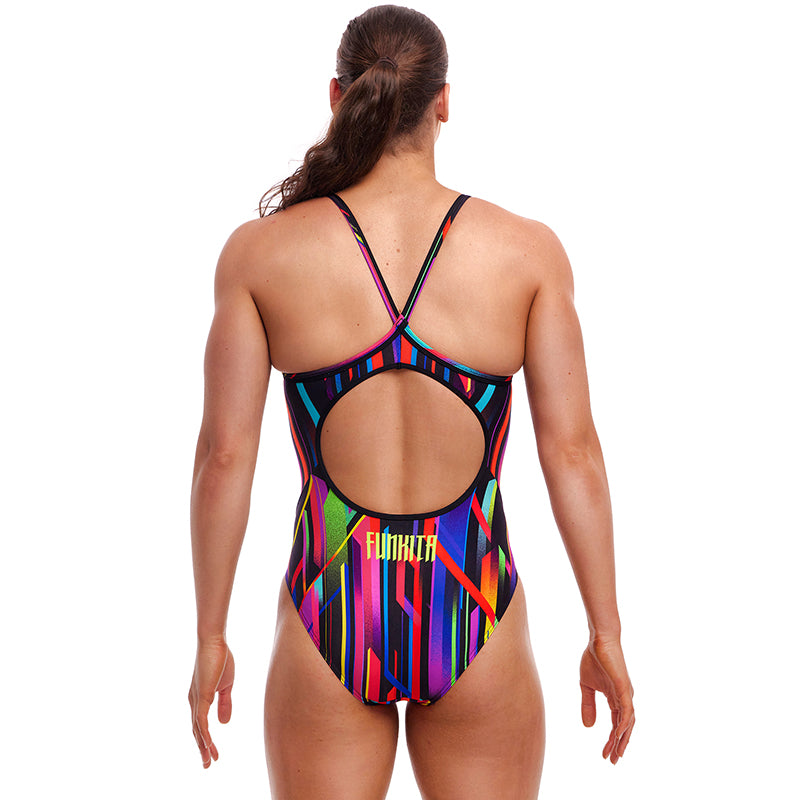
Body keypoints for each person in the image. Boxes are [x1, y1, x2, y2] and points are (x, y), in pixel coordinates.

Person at [188, 5, 634, 798]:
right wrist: (606, 631)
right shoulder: (526, 253)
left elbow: (225, 458)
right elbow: (573, 453)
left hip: (332, 601)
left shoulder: (261, 256)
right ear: (444, 101)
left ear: (337, 96)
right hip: (471, 602)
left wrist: (210, 635)